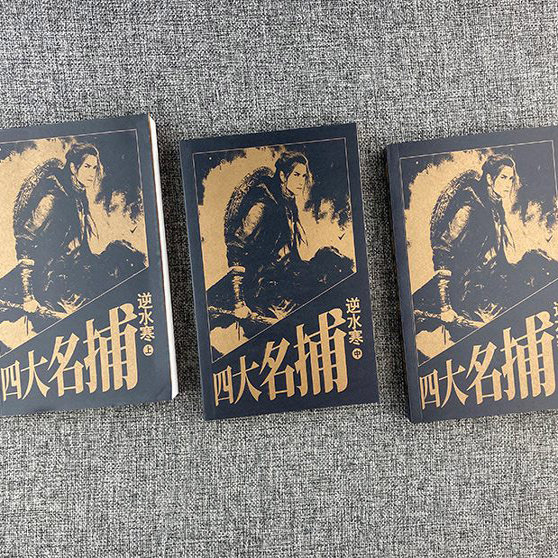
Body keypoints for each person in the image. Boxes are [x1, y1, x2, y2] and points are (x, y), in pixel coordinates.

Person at [0, 142, 145, 343]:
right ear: (73, 167)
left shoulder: (78, 193)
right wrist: (28, 296)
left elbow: (79, 246)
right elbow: (25, 239)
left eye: (94, 167)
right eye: (87, 166)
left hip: (74, 268)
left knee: (122, 257)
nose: (92, 173)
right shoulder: (52, 197)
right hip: (51, 278)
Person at [413, 154, 558, 353]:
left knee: (536, 261)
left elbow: (497, 255)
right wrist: (445, 306)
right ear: (490, 178)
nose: (508, 184)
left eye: (510, 178)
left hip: (490, 279)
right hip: (466, 288)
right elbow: (442, 248)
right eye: (503, 177)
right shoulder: (470, 207)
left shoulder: (496, 205)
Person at [207, 151, 353, 348]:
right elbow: (236, 246)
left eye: (304, 176)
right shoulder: (263, 204)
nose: (301, 181)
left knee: (331, 266)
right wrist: (238, 301)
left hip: (284, 273)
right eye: (296, 175)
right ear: (283, 176)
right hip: (261, 282)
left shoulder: (288, 201)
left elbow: (289, 252)